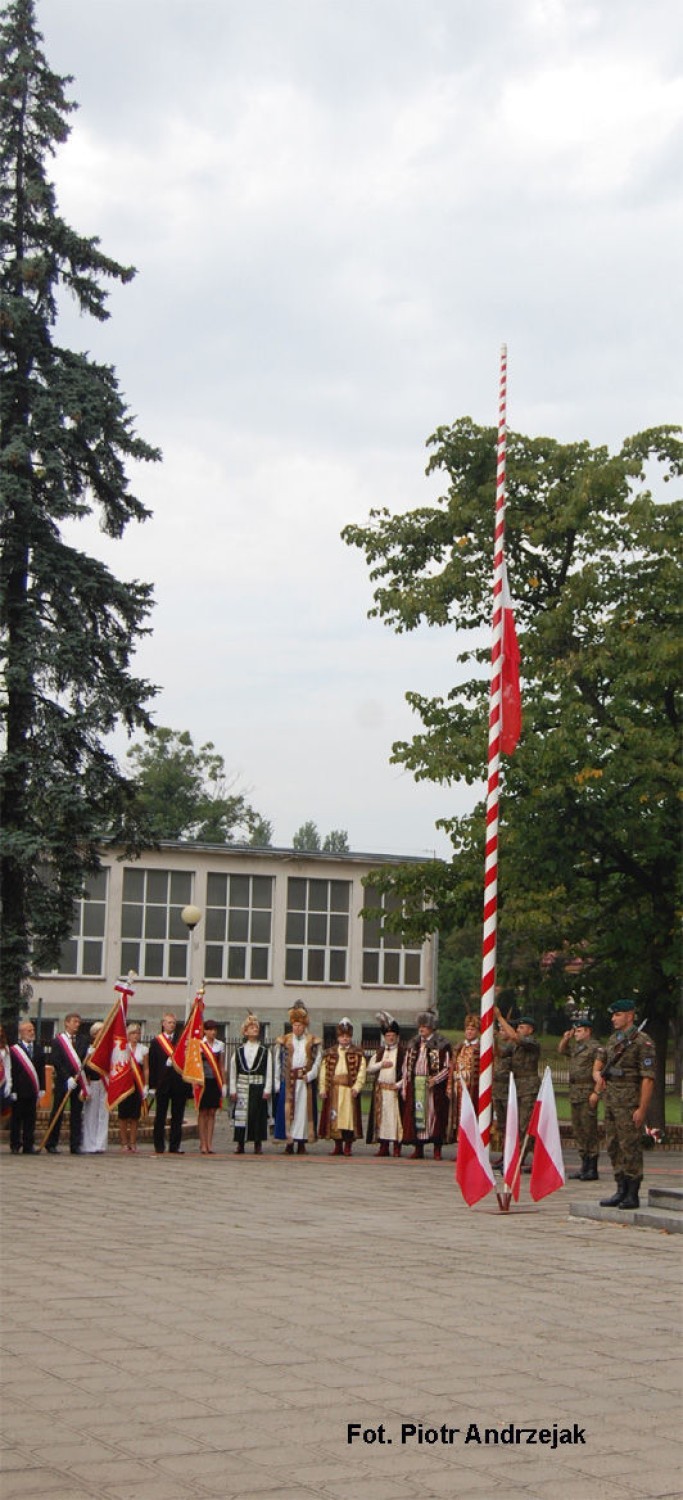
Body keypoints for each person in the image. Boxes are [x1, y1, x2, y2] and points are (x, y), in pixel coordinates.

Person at [593, 1000, 656, 1210]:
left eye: (617, 1014)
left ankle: (632, 1192)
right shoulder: (614, 1040)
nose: (613, 1018)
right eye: (613, 1015)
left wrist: (642, 1109)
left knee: (630, 1147)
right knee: (613, 1145)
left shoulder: (642, 1041)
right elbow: (600, 1063)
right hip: (611, 1100)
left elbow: (647, 1078)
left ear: (630, 1015)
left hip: (629, 1102)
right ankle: (620, 1188)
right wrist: (598, 1077)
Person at [558, 1011, 605, 1181]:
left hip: (587, 1091)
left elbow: (600, 1072)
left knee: (589, 1129)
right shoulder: (577, 1049)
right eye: (575, 1031)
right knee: (578, 1130)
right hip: (575, 1092)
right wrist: (566, 1038)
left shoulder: (596, 1048)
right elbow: (561, 1050)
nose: (576, 1034)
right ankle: (584, 1164)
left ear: (588, 1031)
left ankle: (592, 1167)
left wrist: (596, 1093)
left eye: (579, 1031)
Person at [401, 1008, 451, 1160]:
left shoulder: (441, 1044)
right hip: (416, 1085)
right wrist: (405, 1085)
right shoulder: (413, 1043)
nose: (421, 1029)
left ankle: (437, 1148)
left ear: (431, 1027)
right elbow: (406, 1066)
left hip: (433, 1087)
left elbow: (448, 1067)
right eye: (420, 1026)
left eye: (425, 1026)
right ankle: (418, 1148)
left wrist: (435, 1080)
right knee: (417, 1115)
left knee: (434, 1116)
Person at [273, 1003, 322, 1154]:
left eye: (300, 1025)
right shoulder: (284, 1041)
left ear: (304, 1025)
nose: (297, 1028)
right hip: (289, 1081)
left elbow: (318, 1060)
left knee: (303, 1112)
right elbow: (277, 1061)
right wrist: (277, 1080)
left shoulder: (313, 1041)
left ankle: (302, 1142)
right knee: (289, 1112)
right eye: (295, 1025)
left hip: (305, 1081)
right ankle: (289, 1142)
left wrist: (311, 1075)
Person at [494, 1009, 540, 1164]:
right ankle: (517, 1157)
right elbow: (500, 1054)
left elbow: (514, 1036)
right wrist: (493, 1039)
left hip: (528, 1088)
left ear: (530, 1030)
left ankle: (517, 1160)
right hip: (516, 1088)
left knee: (524, 1126)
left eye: (522, 1027)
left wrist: (500, 1017)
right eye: (518, 1027)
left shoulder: (532, 1042)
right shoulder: (514, 1047)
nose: (518, 1030)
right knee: (515, 1124)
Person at [319, 1018, 367, 1156]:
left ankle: (348, 1145)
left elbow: (361, 1072)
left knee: (348, 1119)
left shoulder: (357, 1053)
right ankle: (337, 1145)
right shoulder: (330, 1053)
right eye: (342, 1036)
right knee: (335, 1118)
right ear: (338, 1037)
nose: (345, 1039)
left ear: (350, 1037)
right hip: (334, 1090)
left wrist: (357, 1087)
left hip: (348, 1090)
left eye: (347, 1036)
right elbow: (323, 1072)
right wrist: (323, 1088)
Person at [46, 1011, 88, 1154]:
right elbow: (56, 1060)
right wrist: (67, 1077)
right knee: (57, 1111)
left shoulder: (83, 1040)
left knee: (76, 1113)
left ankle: (75, 1145)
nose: (77, 1024)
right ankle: (51, 1143)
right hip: (63, 1082)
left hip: (78, 1080)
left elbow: (82, 1059)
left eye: (78, 1022)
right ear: (67, 1023)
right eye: (75, 1022)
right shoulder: (58, 1040)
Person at [148, 1012, 189, 1155]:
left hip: (178, 1084)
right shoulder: (156, 1042)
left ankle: (175, 1145)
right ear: (163, 1024)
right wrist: (152, 1086)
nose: (171, 1025)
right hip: (162, 1084)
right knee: (160, 1115)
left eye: (173, 1022)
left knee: (177, 1116)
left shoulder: (181, 1042)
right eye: (169, 1022)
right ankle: (159, 1145)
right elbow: (152, 1066)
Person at [229, 1013, 271, 1155]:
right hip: (242, 1087)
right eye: (251, 1027)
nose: (254, 1030)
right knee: (241, 1116)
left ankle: (257, 1143)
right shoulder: (239, 1051)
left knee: (257, 1115)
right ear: (245, 1031)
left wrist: (268, 1088)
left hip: (258, 1086)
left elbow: (269, 1071)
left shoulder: (265, 1051)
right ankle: (240, 1143)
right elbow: (233, 1071)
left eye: (256, 1027)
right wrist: (233, 1089)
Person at [366, 1012, 405, 1157]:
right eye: (388, 1035)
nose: (391, 1037)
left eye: (393, 1035)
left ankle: (396, 1146)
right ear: (384, 1037)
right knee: (382, 1119)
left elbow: (407, 1072)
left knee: (395, 1119)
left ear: (397, 1036)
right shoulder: (380, 1052)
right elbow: (369, 1069)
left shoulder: (402, 1052)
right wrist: (381, 1064)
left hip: (394, 1090)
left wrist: (399, 1084)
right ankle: (383, 1146)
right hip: (381, 1091)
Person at [9, 1020, 46, 1155]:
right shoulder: (14, 1051)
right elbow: (11, 1071)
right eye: (29, 1030)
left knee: (30, 1119)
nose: (32, 1032)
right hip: (18, 1090)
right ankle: (15, 1144)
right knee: (16, 1119)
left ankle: (28, 1145)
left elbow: (41, 1070)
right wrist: (12, 1090)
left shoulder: (38, 1049)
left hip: (32, 1090)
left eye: (33, 1030)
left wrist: (42, 1088)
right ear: (22, 1033)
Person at [193, 1018, 226, 1155]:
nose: (213, 1032)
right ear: (205, 1031)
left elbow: (221, 1066)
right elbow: (195, 1065)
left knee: (212, 1112)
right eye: (210, 1029)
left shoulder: (220, 1045)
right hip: (202, 1081)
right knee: (203, 1112)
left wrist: (224, 1083)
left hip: (215, 1081)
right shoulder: (199, 1045)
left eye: (214, 1029)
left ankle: (209, 1143)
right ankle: (202, 1143)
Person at [448, 1013, 481, 1147]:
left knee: (470, 1117)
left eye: (472, 1029)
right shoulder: (459, 1047)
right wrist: (449, 1086)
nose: (469, 1032)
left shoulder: (479, 1048)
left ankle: (470, 1146)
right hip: (458, 1086)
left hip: (471, 1088)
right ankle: (460, 1145)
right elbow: (452, 1068)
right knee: (458, 1118)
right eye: (467, 1029)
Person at [117, 1021, 149, 1153]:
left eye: (138, 1033)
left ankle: (133, 1142)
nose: (136, 1036)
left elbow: (146, 1069)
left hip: (138, 1083)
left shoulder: (144, 1049)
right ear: (128, 1035)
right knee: (123, 1115)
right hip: (124, 1084)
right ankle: (124, 1143)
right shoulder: (122, 1048)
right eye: (133, 1033)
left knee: (135, 1116)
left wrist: (146, 1085)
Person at [82, 1022, 110, 1153]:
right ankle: (89, 1143)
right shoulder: (88, 1048)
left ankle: (101, 1144)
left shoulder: (107, 1048)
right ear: (94, 1034)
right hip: (92, 1082)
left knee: (104, 1114)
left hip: (105, 1083)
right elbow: (82, 1067)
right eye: (100, 1031)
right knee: (91, 1114)